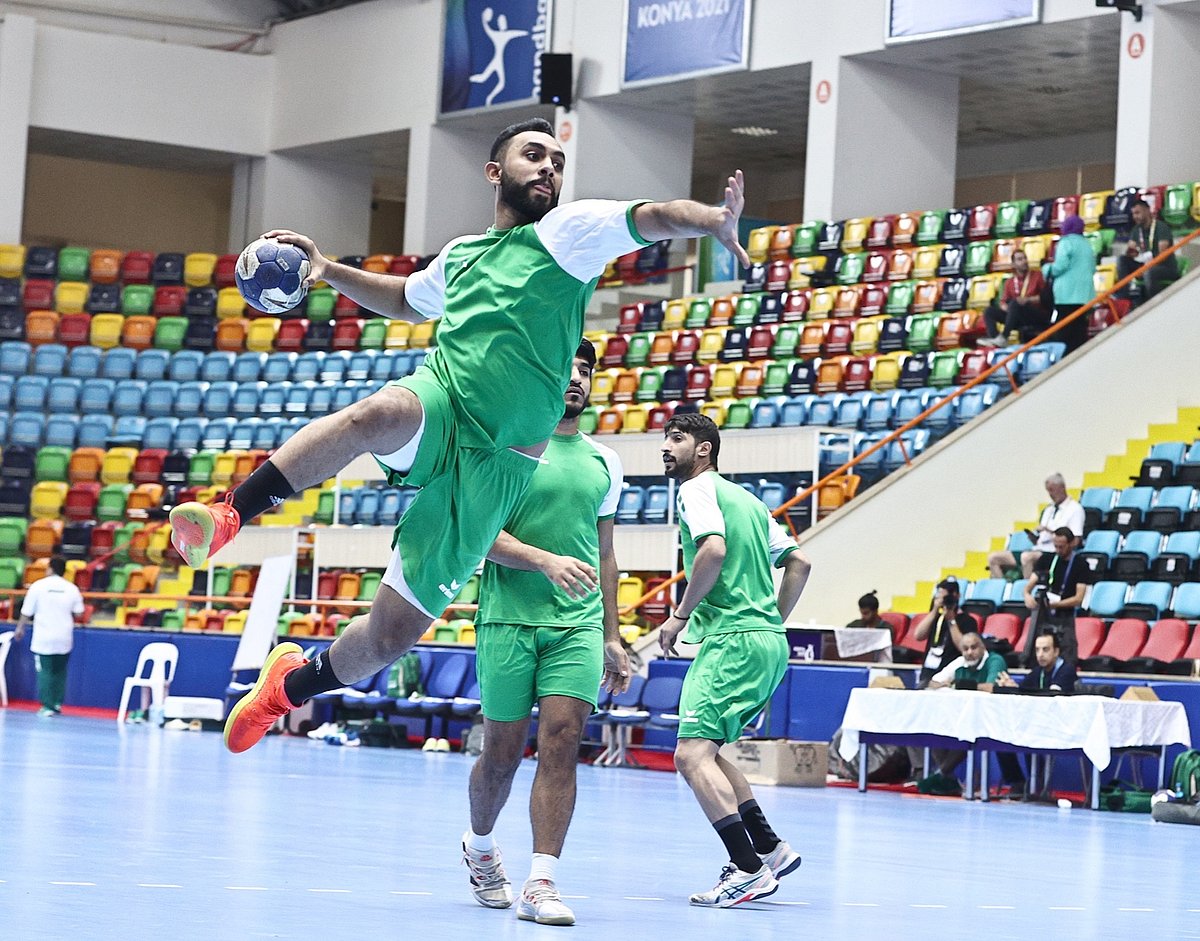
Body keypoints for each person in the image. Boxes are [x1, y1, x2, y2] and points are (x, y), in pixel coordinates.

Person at [179, 118, 749, 755]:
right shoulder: (462, 255)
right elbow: (406, 299)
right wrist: (327, 269)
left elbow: (653, 216)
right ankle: (229, 513)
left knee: (390, 637)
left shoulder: (567, 234)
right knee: (379, 413)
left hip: (498, 463)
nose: (549, 168)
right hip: (443, 402)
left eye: (558, 161)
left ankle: (285, 689)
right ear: (494, 172)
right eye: (533, 155)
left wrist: (711, 220)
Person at [461, 339, 630, 927]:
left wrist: (612, 634)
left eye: (585, 371)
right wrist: (542, 561)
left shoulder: (606, 462)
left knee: (562, 740)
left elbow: (605, 554)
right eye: (567, 368)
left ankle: (541, 881)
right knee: (501, 756)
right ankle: (481, 845)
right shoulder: (506, 446)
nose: (576, 378)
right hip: (507, 619)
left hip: (577, 623)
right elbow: (478, 535)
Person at [657, 414, 812, 908]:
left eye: (677, 439)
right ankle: (769, 848)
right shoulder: (750, 501)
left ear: (704, 449)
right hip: (766, 641)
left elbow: (713, 550)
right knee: (709, 753)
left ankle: (747, 871)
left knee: (689, 756)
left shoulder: (696, 490)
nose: (665, 447)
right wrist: (771, 620)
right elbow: (800, 562)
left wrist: (680, 615)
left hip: (733, 641)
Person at [917, 631, 1007, 795]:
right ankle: (948, 778)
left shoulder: (995, 660)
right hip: (962, 716)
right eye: (965, 649)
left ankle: (940, 775)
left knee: (966, 730)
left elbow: (991, 688)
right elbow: (933, 682)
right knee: (936, 727)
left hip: (991, 718)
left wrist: (959, 684)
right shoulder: (960, 662)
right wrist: (947, 684)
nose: (970, 652)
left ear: (983, 647)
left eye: (974, 647)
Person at [995, 633, 1078, 797]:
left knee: (1031, 736)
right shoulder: (1037, 672)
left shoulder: (1066, 670)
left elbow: (1050, 695)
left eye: (1045, 649)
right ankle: (1017, 782)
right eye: (1037, 650)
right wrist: (1012, 687)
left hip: (1061, 727)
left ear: (1056, 651)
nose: (1040, 654)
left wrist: (1019, 689)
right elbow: (1023, 692)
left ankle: (1038, 785)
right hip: (1037, 723)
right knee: (1001, 735)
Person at [13, 557, 85, 717]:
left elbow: (26, 611)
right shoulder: (72, 588)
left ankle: (47, 705)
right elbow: (79, 612)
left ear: (50, 569)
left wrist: (20, 628)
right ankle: (57, 703)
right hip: (64, 637)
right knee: (60, 671)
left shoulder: (38, 586)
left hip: (43, 637)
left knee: (45, 671)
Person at [987, 473, 1085, 580]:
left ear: (1062, 488)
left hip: (1053, 551)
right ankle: (1005, 586)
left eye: (1052, 490)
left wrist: (1050, 531)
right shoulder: (1049, 509)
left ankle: (1026, 587)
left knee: (1026, 557)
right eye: (1048, 491)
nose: (1050, 494)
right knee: (994, 558)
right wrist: (1034, 538)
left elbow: (1076, 540)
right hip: (1038, 548)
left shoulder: (1075, 509)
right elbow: (1040, 540)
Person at [1022, 527, 1088, 665]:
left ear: (1071, 544)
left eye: (1061, 547)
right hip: (1044, 615)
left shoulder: (1080, 564)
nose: (1058, 550)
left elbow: (1078, 598)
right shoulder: (1047, 559)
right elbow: (1029, 586)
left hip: (1065, 617)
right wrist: (1027, 596)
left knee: (1067, 657)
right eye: (1056, 546)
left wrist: (1056, 604)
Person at [1041, 213, 1095, 353]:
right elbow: (1093, 268)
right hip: (1085, 296)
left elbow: (1060, 266)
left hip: (1067, 295)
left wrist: (1046, 269)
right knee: (1079, 332)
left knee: (1064, 333)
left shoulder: (1066, 242)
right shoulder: (1087, 244)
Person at [910, 578, 977, 688]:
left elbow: (963, 647)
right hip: (928, 672)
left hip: (949, 673)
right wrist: (934, 610)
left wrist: (951, 620)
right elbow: (918, 635)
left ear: (957, 596)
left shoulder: (967, 620)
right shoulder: (935, 618)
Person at [978, 249, 1048, 348]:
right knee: (989, 311)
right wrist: (1006, 308)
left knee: (1015, 303)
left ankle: (1004, 336)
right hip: (1017, 316)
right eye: (1020, 259)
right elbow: (1003, 302)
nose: (1024, 261)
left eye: (1025, 258)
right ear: (1014, 264)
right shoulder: (1009, 282)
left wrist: (1028, 300)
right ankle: (996, 338)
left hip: (1035, 314)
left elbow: (1046, 298)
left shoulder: (1037, 276)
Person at [1116, 197, 1178, 302]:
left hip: (1165, 267)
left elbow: (1162, 256)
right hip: (1145, 265)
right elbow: (1131, 252)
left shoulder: (1161, 227)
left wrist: (1145, 268)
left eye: (1137, 213)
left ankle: (1154, 303)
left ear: (1147, 211)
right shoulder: (1136, 230)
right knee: (1122, 260)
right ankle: (1124, 300)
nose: (1135, 216)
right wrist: (1131, 252)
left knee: (1148, 272)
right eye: (1133, 214)